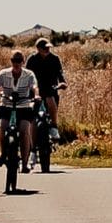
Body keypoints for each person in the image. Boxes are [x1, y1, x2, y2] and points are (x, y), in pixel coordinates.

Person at [0, 51, 41, 187]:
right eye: (14, 60)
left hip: (23, 106)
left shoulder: (29, 74)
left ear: (23, 62)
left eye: (19, 61)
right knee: (2, 126)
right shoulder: (4, 73)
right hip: (6, 105)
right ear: (11, 61)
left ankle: (24, 162)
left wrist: (36, 96)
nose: (16, 63)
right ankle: (3, 151)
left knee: (24, 130)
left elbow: (34, 87)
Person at [26, 38, 67, 169]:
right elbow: (27, 76)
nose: (47, 50)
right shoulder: (32, 60)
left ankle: (54, 127)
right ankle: (32, 150)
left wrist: (62, 83)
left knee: (50, 99)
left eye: (49, 47)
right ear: (38, 49)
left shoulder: (55, 59)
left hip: (51, 90)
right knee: (32, 120)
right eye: (45, 48)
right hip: (36, 93)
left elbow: (60, 75)